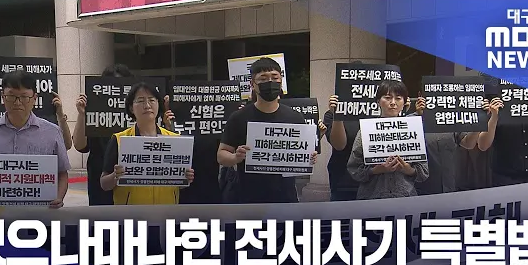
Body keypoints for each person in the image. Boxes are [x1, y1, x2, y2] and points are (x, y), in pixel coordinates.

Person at [217, 57, 317, 204]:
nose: (270, 82)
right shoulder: (239, 117)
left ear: (281, 80)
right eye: (263, 79)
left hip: (286, 198)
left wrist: (308, 158)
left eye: (274, 77)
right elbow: (221, 155)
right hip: (248, 198)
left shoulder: (295, 117)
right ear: (252, 84)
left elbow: (303, 153)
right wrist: (235, 158)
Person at [0, 70, 71, 208]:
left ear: (34, 98)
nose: (17, 102)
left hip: (41, 213)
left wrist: (59, 197)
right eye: (11, 96)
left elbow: (62, 173)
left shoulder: (52, 132)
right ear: (2, 97)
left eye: (24, 97)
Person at [100, 81, 194, 205]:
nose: (147, 105)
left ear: (158, 105)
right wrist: (115, 176)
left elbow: (179, 186)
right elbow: (104, 184)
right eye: (140, 101)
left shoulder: (174, 139)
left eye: (152, 100)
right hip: (130, 214)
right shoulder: (119, 139)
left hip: (166, 212)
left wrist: (185, 178)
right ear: (131, 108)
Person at [347, 80, 429, 200]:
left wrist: (409, 170)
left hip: (405, 197)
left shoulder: (413, 129)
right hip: (371, 198)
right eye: (387, 98)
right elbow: (353, 168)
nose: (393, 103)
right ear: (378, 101)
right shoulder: (366, 130)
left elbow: (424, 171)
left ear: (405, 102)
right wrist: (376, 170)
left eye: (398, 98)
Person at [72, 64, 133, 206]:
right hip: (99, 180)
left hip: (130, 182)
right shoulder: (95, 112)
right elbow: (80, 145)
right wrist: (82, 114)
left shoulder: (136, 112)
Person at [410, 96, 480, 195]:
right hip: (421, 191)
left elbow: (469, 144)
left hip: (450, 187)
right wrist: (421, 117)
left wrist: (479, 122)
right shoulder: (410, 120)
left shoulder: (450, 117)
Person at [322, 94, 360, 201]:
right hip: (343, 179)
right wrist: (338, 115)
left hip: (373, 180)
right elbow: (339, 145)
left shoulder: (377, 114)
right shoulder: (330, 115)